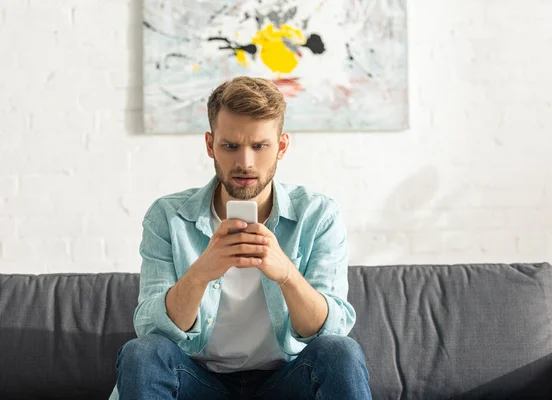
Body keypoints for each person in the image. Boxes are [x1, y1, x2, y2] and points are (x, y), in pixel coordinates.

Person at [108, 76, 371, 400]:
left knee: (339, 351)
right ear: (210, 145)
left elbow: (330, 331)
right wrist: (202, 271)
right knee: (143, 352)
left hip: (286, 382)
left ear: (282, 146)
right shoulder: (168, 217)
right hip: (197, 380)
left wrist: (287, 274)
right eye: (230, 146)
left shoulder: (318, 215)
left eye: (259, 146)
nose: (245, 162)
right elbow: (152, 330)